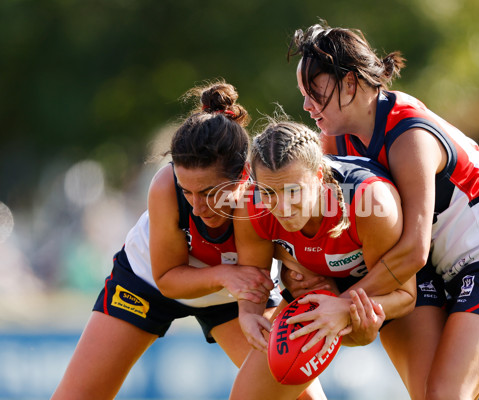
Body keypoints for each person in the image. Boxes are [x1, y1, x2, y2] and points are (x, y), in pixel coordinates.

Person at [286, 21, 479, 400]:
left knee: (444, 396)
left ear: (350, 83)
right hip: (424, 269)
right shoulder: (334, 138)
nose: (306, 105)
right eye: (303, 94)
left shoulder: (409, 136)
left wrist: (343, 303)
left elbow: (413, 249)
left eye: (315, 93)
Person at [51, 82, 325, 400]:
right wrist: (224, 275)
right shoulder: (165, 185)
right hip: (149, 282)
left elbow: (262, 275)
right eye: (188, 192)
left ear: (244, 173)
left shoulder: (263, 195)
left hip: (235, 293)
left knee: (305, 399)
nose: (197, 207)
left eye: (210, 193)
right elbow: (168, 279)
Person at [229, 119, 417, 400]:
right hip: (319, 299)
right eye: (268, 192)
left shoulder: (370, 203)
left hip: (392, 294)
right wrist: (248, 312)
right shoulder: (251, 207)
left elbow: (405, 295)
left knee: (438, 392)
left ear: (319, 174)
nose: (281, 207)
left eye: (293, 191)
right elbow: (253, 279)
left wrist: (344, 307)